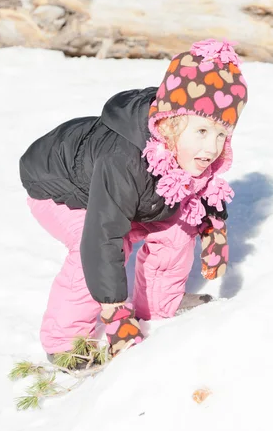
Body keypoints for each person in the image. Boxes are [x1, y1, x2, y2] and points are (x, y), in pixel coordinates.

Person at [19, 38, 248, 362]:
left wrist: (212, 227)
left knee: (177, 228)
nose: (212, 148)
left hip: (125, 188)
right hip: (59, 186)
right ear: (172, 124)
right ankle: (65, 343)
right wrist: (114, 313)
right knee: (106, 243)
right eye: (201, 132)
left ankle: (155, 307)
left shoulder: (188, 151)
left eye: (221, 134)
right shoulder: (122, 160)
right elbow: (101, 237)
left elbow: (198, 192)